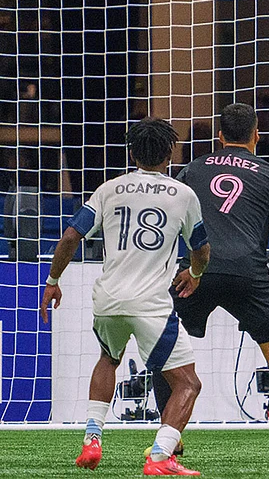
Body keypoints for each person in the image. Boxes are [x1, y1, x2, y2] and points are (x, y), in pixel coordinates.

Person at [151, 103, 269, 466]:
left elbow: (167, 221)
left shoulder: (192, 170)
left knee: (162, 351)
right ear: (256, 134)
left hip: (197, 273)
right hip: (249, 274)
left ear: (219, 137)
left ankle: (172, 441)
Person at [39, 117, 210, 476]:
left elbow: (70, 237)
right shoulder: (183, 194)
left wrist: (53, 280)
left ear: (132, 152)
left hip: (108, 299)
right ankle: (161, 457)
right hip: (150, 304)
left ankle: (92, 439)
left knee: (108, 358)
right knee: (188, 384)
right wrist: (194, 274)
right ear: (169, 154)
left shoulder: (109, 189)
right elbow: (202, 249)